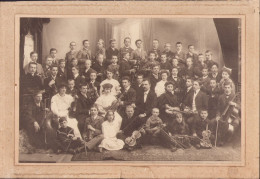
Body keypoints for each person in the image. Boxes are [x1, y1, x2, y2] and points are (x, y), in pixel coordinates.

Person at [215, 81, 240, 146]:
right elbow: (218, 109)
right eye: (225, 87)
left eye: (228, 87)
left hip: (234, 116)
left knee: (235, 123)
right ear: (223, 88)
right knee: (219, 122)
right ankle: (221, 139)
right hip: (223, 115)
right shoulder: (221, 97)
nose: (227, 89)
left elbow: (240, 107)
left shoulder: (235, 96)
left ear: (231, 88)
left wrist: (234, 104)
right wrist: (217, 115)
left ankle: (226, 139)